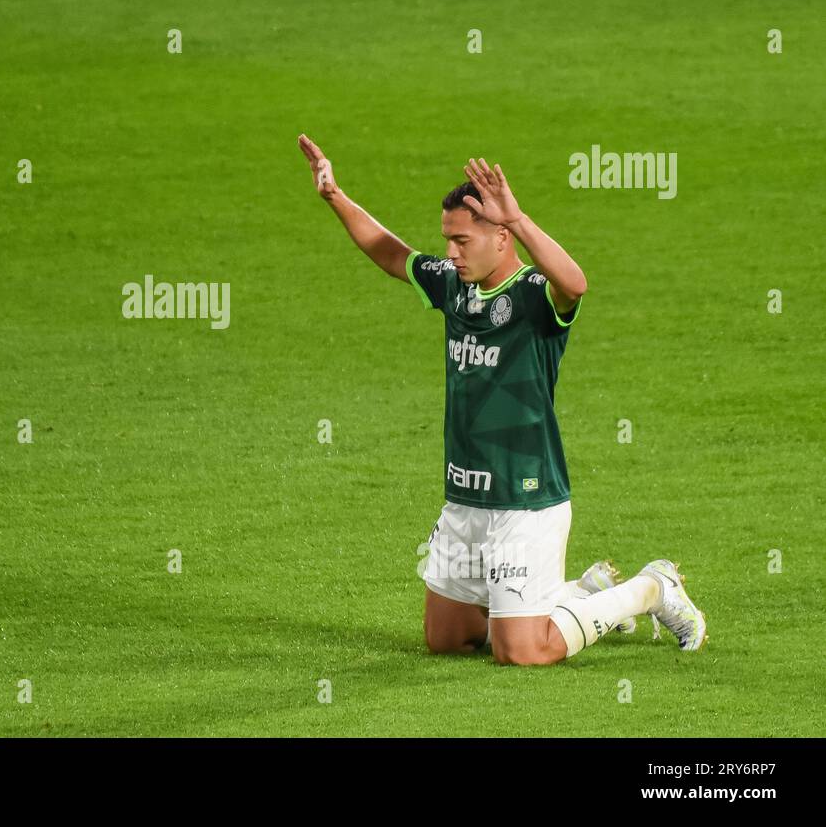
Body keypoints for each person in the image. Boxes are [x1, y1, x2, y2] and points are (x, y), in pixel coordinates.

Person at [298, 134, 706, 663]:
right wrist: (335, 195)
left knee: (523, 653)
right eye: (447, 238)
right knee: (448, 641)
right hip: (466, 495)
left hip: (525, 498)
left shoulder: (536, 296)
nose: (450, 251)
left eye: (462, 240)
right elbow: (392, 255)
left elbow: (576, 284)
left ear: (501, 239)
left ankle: (652, 588)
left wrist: (519, 218)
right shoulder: (455, 287)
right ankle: (576, 596)